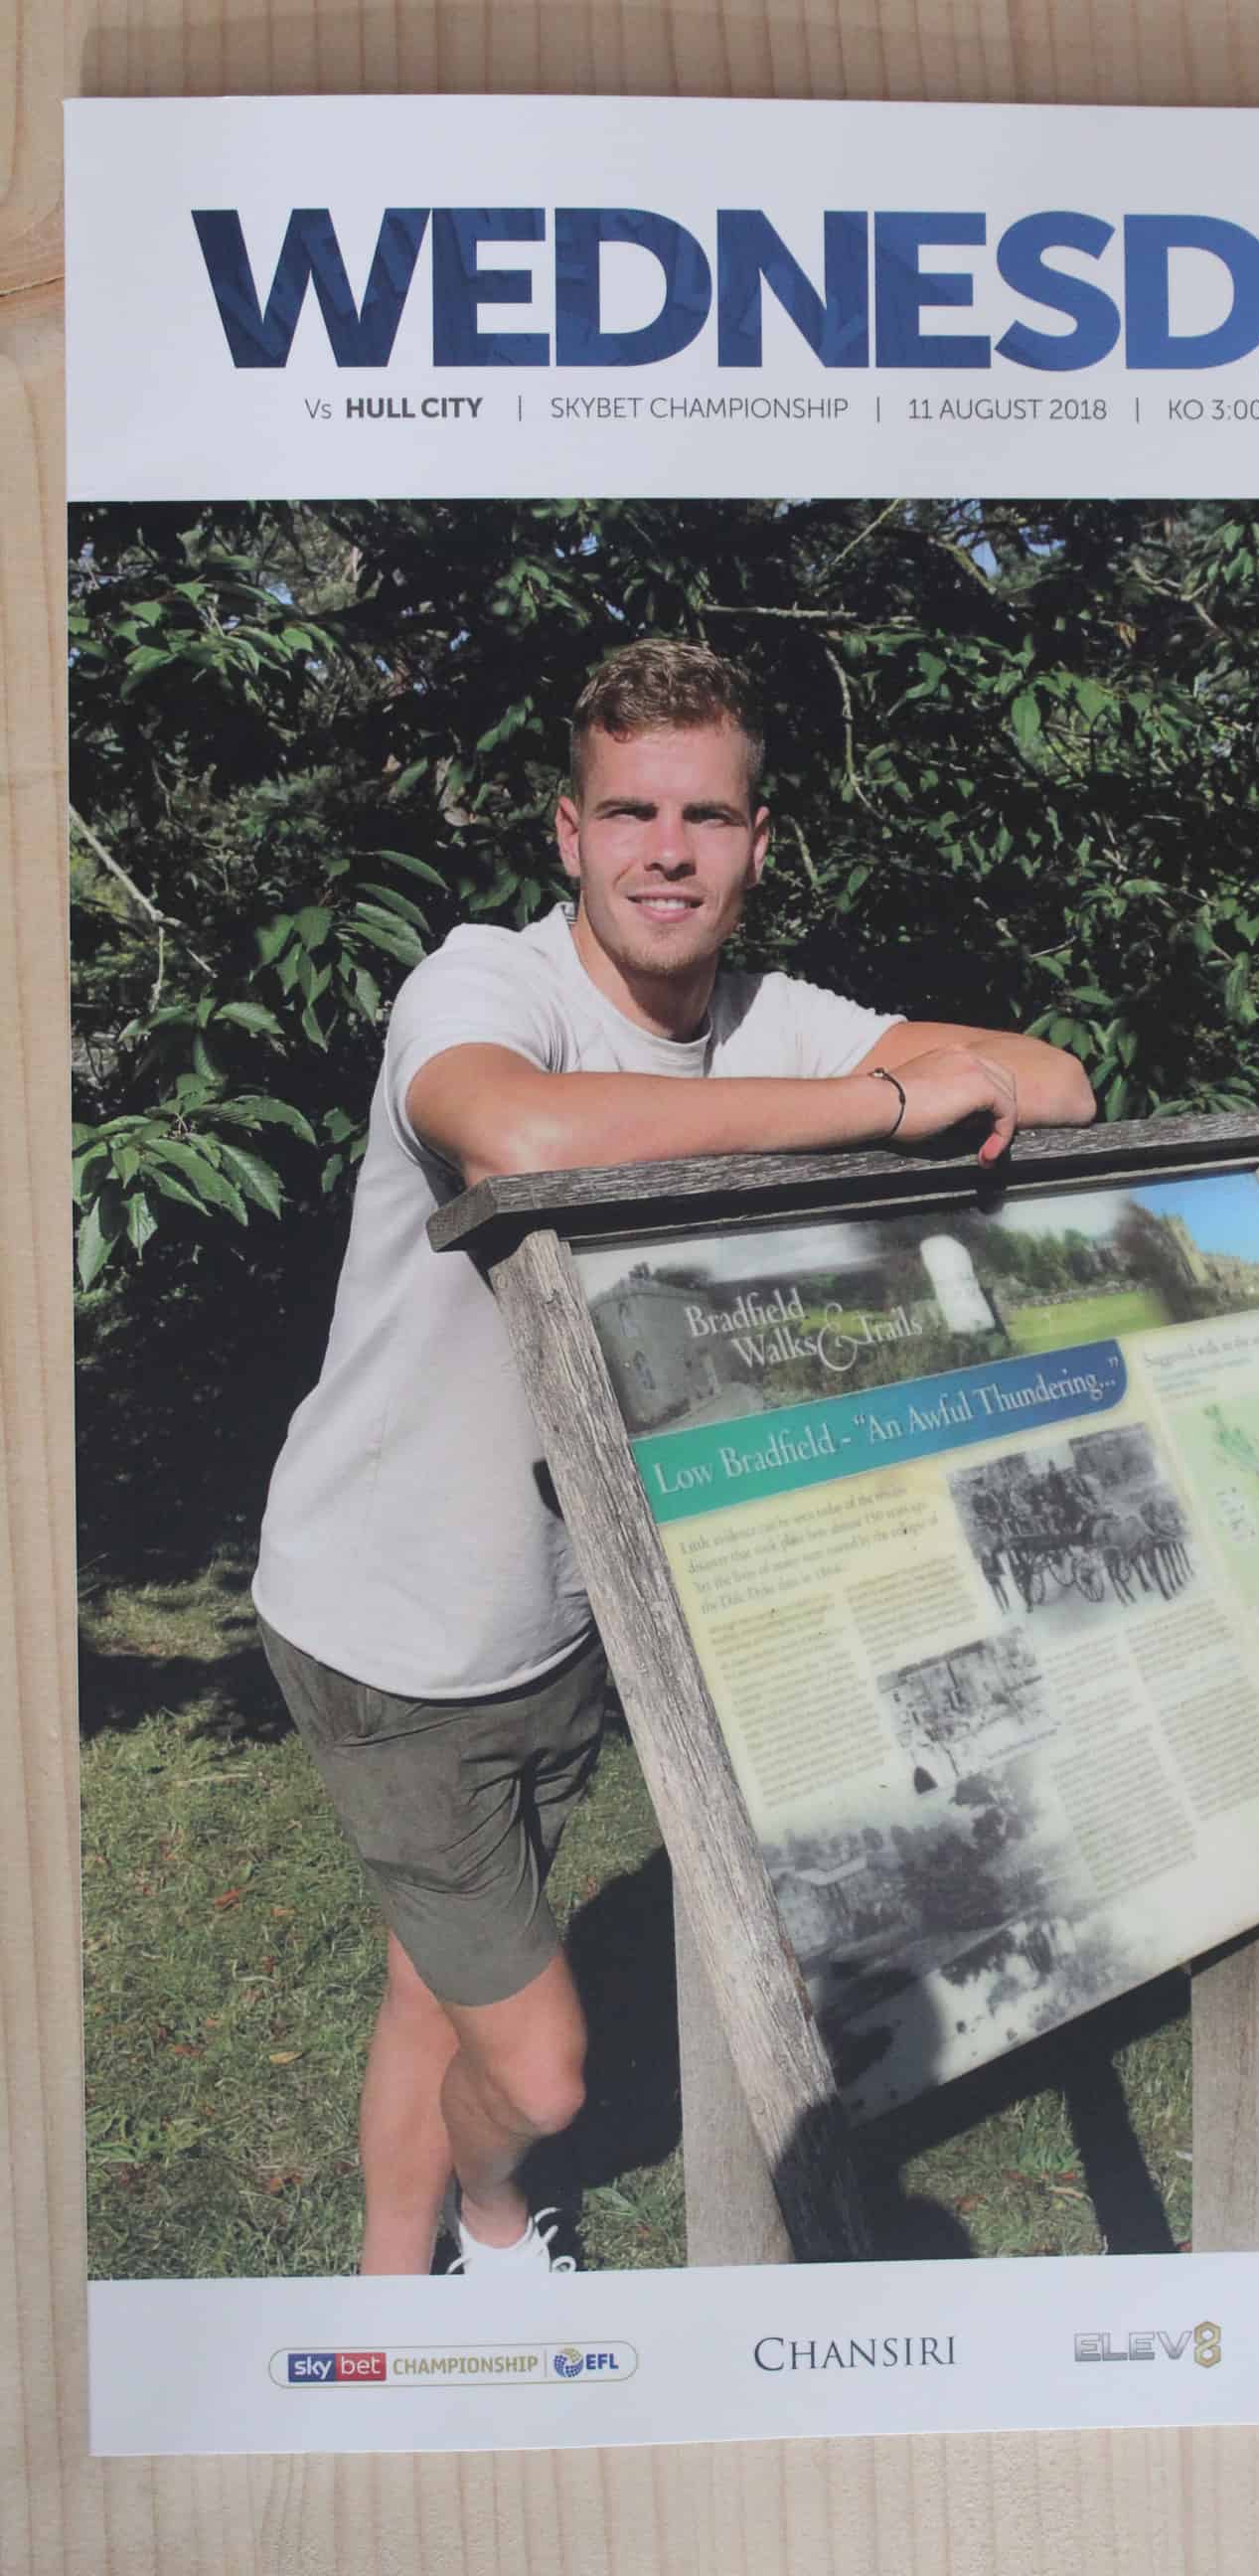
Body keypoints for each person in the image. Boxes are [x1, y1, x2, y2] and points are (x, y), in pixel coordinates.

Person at [251, 638, 1095, 2277]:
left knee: (442, 1974)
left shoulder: (777, 1018)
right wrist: (881, 1108)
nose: (666, 850)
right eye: (629, 811)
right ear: (566, 833)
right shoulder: (485, 984)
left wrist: (915, 1077)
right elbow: (526, 1135)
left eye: (705, 816)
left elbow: (1050, 1081)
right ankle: (494, 2226)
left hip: (568, 1608)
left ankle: (379, 2288)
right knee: (543, 2066)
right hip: (389, 1617)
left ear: (759, 844)